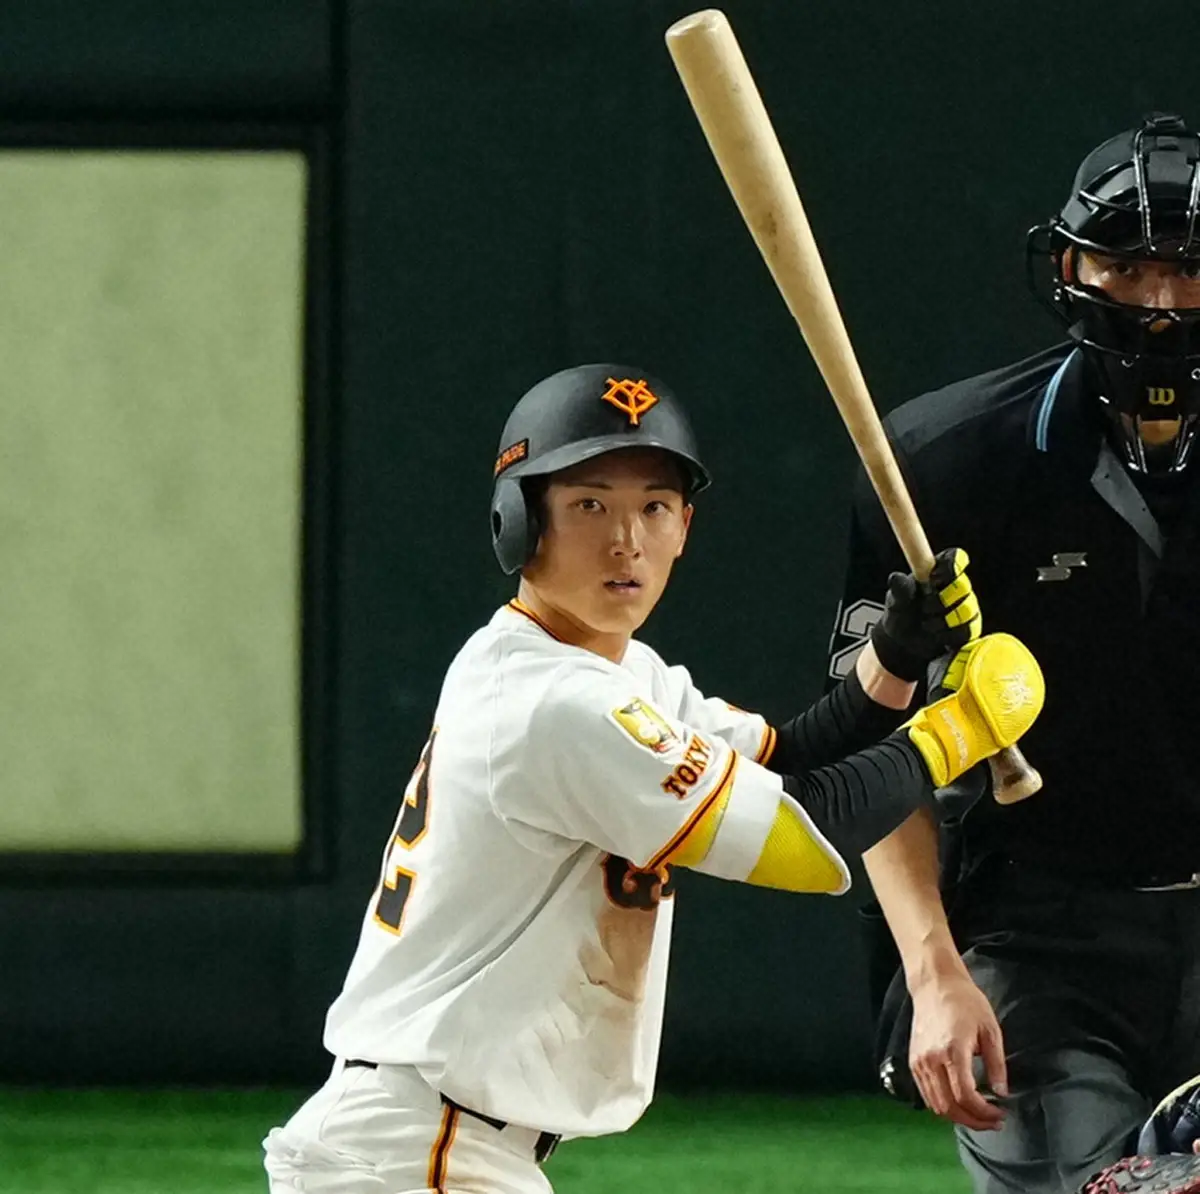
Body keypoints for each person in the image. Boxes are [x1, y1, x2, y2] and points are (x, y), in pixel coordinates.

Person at [261, 362, 1042, 1193]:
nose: (626, 540)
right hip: (415, 1153)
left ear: (684, 528)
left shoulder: (609, 671)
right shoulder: (552, 702)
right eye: (589, 505)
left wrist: (897, 655)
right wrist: (958, 732)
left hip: (430, 1144)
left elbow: (790, 758)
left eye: (654, 507)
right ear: (518, 521)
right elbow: (798, 828)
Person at [831, 112, 1200, 1194]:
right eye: (1126, 266)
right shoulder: (944, 464)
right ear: (1071, 267)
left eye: (1189, 271)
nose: (1159, 303)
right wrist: (932, 973)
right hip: (1036, 934)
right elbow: (867, 749)